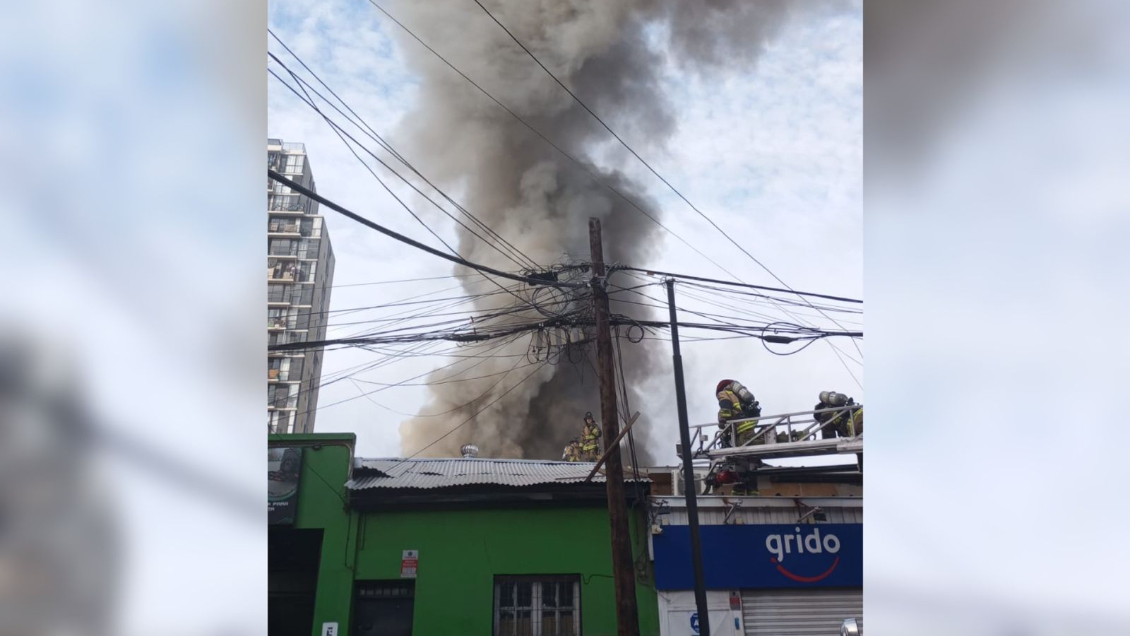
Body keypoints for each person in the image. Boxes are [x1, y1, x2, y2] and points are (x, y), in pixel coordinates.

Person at [716, 380, 762, 447]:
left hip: (740, 428)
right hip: (750, 425)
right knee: (754, 445)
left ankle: (780, 439)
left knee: (745, 445)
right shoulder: (739, 395)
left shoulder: (723, 393)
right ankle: (778, 439)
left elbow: (725, 409)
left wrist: (722, 426)